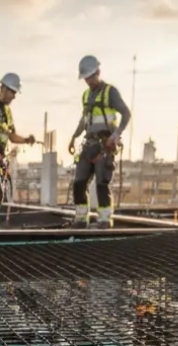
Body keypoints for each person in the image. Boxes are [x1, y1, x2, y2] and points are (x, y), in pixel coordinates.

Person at [68, 55, 132, 229]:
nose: (88, 81)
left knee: (102, 183)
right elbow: (84, 120)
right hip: (89, 144)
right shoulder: (86, 96)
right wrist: (74, 136)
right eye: (86, 78)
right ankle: (81, 219)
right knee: (79, 182)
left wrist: (116, 135)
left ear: (98, 72)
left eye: (91, 77)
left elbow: (126, 114)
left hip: (105, 145)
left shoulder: (110, 92)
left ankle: (104, 220)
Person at [0, 73, 36, 229]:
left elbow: (11, 136)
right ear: (3, 88)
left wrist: (25, 140)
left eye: (15, 93)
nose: (13, 97)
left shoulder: (7, 113)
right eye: (12, 92)